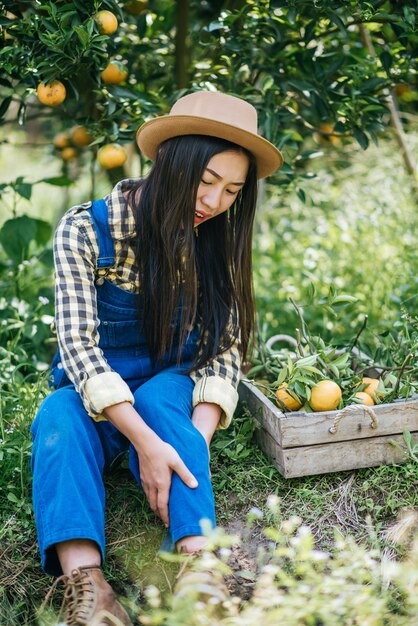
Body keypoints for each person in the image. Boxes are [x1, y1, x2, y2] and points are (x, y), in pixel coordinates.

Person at [31, 91, 283, 625]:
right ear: (168, 159)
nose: (213, 202)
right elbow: (78, 350)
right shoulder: (86, 231)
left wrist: (185, 446)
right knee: (55, 417)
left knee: (162, 400)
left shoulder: (213, 238)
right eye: (206, 179)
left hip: (168, 383)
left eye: (232, 190)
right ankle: (89, 588)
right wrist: (146, 445)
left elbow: (222, 352)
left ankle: (200, 567)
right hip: (97, 393)